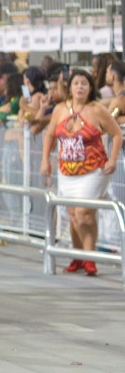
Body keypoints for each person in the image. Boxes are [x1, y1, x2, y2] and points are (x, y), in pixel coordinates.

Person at [41, 69, 123, 275]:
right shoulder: (60, 109)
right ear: (69, 87)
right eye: (76, 83)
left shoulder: (97, 110)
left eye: (84, 84)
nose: (80, 87)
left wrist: (113, 160)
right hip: (67, 170)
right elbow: (50, 135)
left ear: (90, 88)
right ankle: (77, 256)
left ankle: (90, 257)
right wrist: (45, 161)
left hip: (93, 170)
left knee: (84, 213)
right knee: (73, 215)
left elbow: (117, 134)